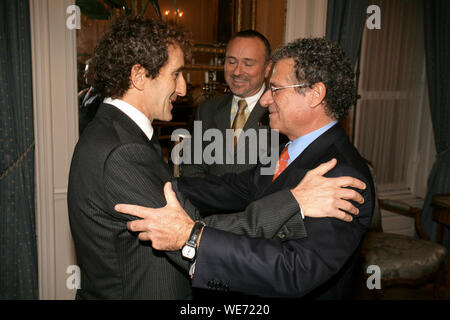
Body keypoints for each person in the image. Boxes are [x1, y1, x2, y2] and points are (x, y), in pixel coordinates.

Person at [67, 17, 366, 300]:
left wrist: (190, 229)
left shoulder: (340, 175)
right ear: (138, 75)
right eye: (176, 74)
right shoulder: (123, 148)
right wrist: (293, 200)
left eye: (274, 88)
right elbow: (231, 190)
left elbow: (296, 270)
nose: (264, 99)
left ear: (314, 95)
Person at [181, 30, 285, 178]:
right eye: (231, 62)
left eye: (248, 64)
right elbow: (192, 167)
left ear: (267, 68)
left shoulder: (279, 112)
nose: (237, 71)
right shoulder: (207, 110)